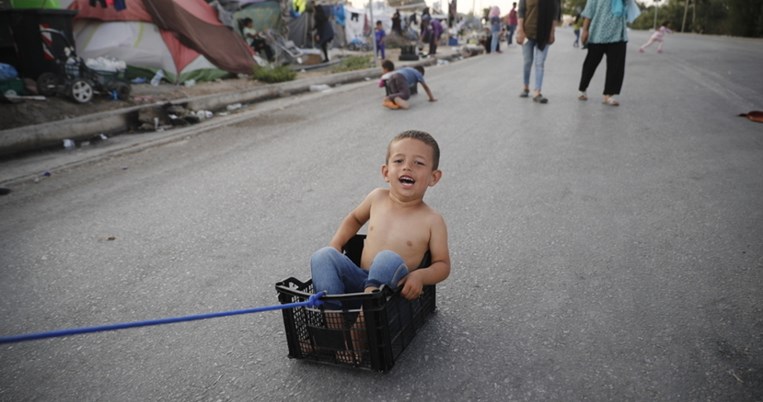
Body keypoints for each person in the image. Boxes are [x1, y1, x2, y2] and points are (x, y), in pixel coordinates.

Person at [310, 130, 450, 306]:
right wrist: (336, 244)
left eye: (418, 163)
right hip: (358, 280)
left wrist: (419, 276)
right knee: (323, 256)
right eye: (399, 161)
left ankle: (364, 322)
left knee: (387, 259)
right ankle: (333, 319)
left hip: (392, 292)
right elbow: (354, 219)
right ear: (386, 172)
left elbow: (442, 264)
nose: (407, 167)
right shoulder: (377, 198)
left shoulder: (432, 220)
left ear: (433, 177)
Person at [577, 0, 633, 106]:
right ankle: (582, 89)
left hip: (618, 35)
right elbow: (589, 12)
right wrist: (585, 31)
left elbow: (629, 7)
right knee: (590, 64)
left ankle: (609, 95)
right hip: (598, 34)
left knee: (616, 67)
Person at [516, 0, 561, 104]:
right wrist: (520, 31)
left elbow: (555, 15)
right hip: (527, 33)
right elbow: (521, 12)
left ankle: (537, 91)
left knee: (539, 63)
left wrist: (552, 32)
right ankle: (526, 87)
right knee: (528, 62)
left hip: (544, 34)